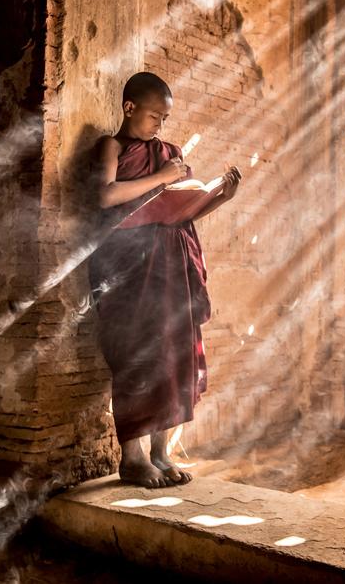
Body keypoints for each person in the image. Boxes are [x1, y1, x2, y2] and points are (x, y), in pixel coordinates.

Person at [88, 71, 241, 488]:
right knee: (139, 355)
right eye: (155, 116)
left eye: (165, 118)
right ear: (129, 108)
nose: (160, 126)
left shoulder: (168, 152)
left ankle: (160, 452)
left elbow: (180, 211)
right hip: (129, 265)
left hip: (173, 263)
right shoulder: (111, 146)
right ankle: (132, 458)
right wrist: (162, 178)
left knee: (175, 356)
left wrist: (217, 196)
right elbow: (104, 196)